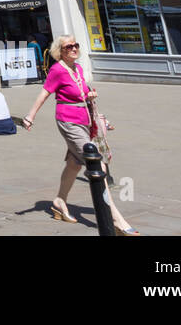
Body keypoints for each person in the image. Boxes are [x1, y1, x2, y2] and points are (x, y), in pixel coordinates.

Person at [22, 35, 139, 235]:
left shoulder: (78, 69)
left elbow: (82, 93)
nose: (74, 49)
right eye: (69, 47)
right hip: (68, 121)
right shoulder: (57, 70)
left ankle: (59, 201)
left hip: (84, 120)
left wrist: (93, 102)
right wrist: (29, 116)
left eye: (76, 45)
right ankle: (116, 219)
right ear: (61, 51)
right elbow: (44, 93)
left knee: (74, 164)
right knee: (97, 164)